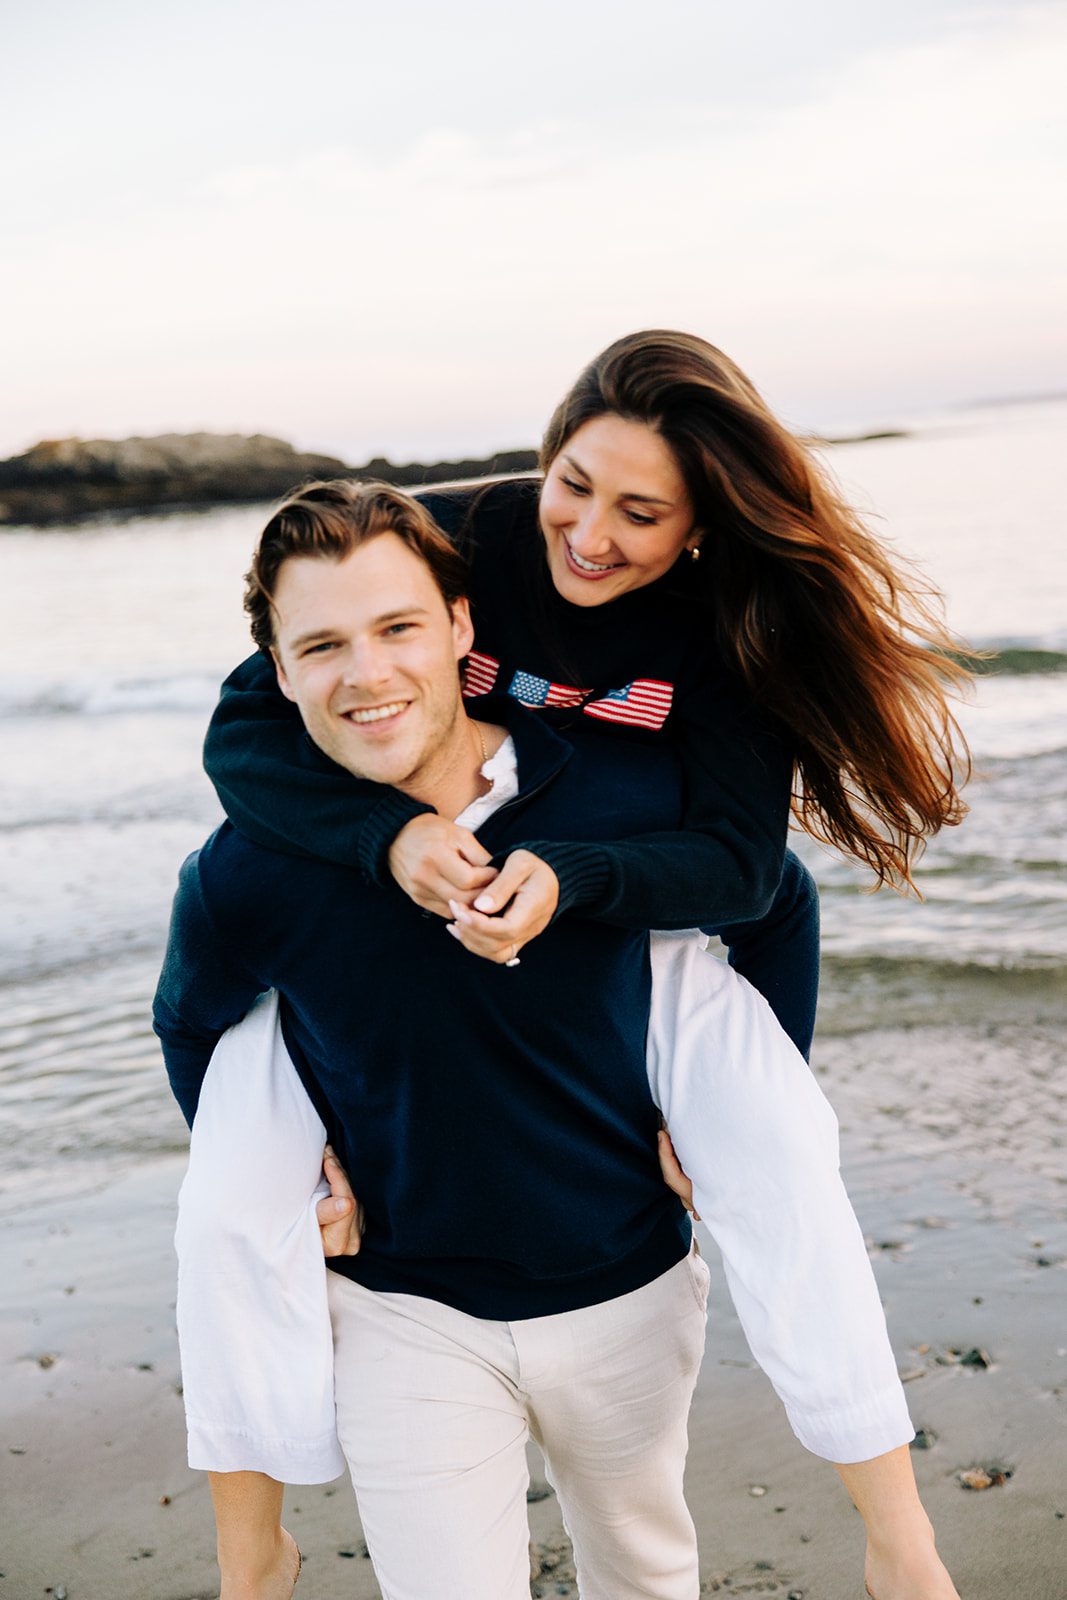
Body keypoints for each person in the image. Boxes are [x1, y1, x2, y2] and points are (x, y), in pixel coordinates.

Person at [156, 480, 960, 1600]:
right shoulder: (249, 870)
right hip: (404, 1317)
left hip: (625, 1287)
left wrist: (726, 1118)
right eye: (322, 645)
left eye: (397, 627)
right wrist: (306, 1180)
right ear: (279, 674)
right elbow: (190, 1019)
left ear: (460, 629)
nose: (367, 672)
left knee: (644, 1573)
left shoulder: (617, 795)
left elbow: (768, 899)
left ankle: (897, 1533)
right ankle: (254, 1548)